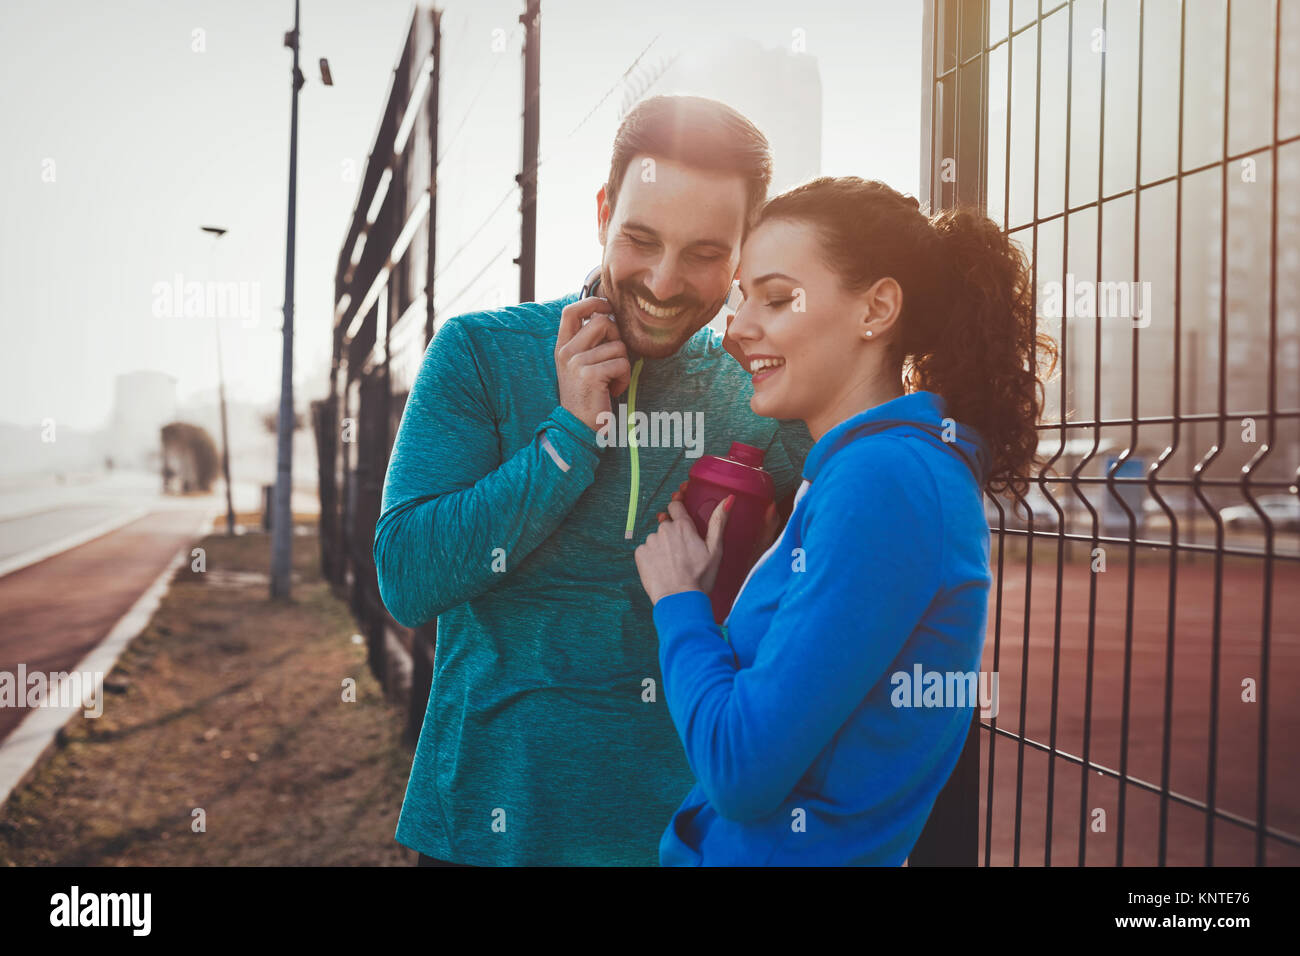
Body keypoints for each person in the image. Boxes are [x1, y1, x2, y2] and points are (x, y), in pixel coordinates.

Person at [375, 95, 814, 866]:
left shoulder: (763, 396)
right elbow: (406, 576)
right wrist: (568, 438)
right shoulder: (478, 353)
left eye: (706, 253)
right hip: (483, 834)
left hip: (679, 841)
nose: (665, 281)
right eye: (641, 239)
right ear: (605, 209)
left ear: (746, 250)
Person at [634, 176, 1057, 865]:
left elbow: (741, 771)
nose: (737, 326)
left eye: (775, 297)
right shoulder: (869, 469)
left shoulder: (884, 481)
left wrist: (679, 605)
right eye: (743, 298)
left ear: (877, 309)